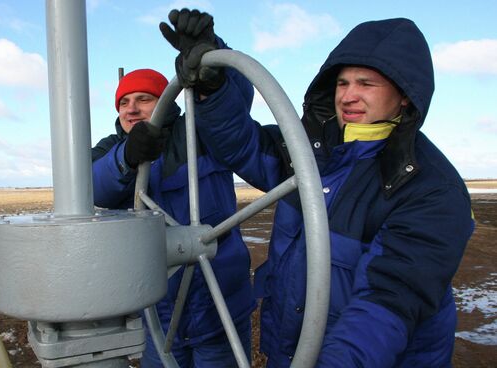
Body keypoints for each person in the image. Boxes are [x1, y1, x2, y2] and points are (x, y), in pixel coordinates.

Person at [160, 9, 475, 367]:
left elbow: (387, 302)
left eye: (366, 84)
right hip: (293, 352)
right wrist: (214, 88)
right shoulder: (310, 152)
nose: (349, 96)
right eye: (342, 83)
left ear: (404, 96)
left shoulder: (431, 187)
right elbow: (240, 144)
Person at [91, 67, 256, 367]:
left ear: (165, 100)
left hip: (218, 307)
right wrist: (127, 157)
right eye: (124, 102)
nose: (131, 109)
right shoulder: (110, 151)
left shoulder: (202, 133)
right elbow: (89, 184)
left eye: (143, 99)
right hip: (157, 316)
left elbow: (233, 109)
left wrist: (213, 75)